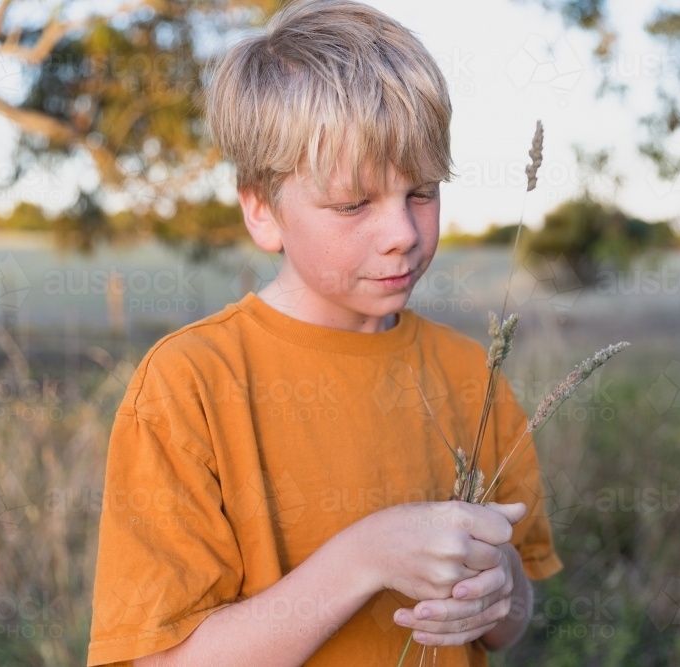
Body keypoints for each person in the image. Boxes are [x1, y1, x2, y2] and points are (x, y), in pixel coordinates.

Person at [86, 1, 563, 665]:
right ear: (261, 209)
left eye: (421, 192)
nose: (402, 233)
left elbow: (509, 622)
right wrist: (365, 556)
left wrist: (501, 585)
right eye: (353, 203)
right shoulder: (190, 384)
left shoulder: (469, 373)